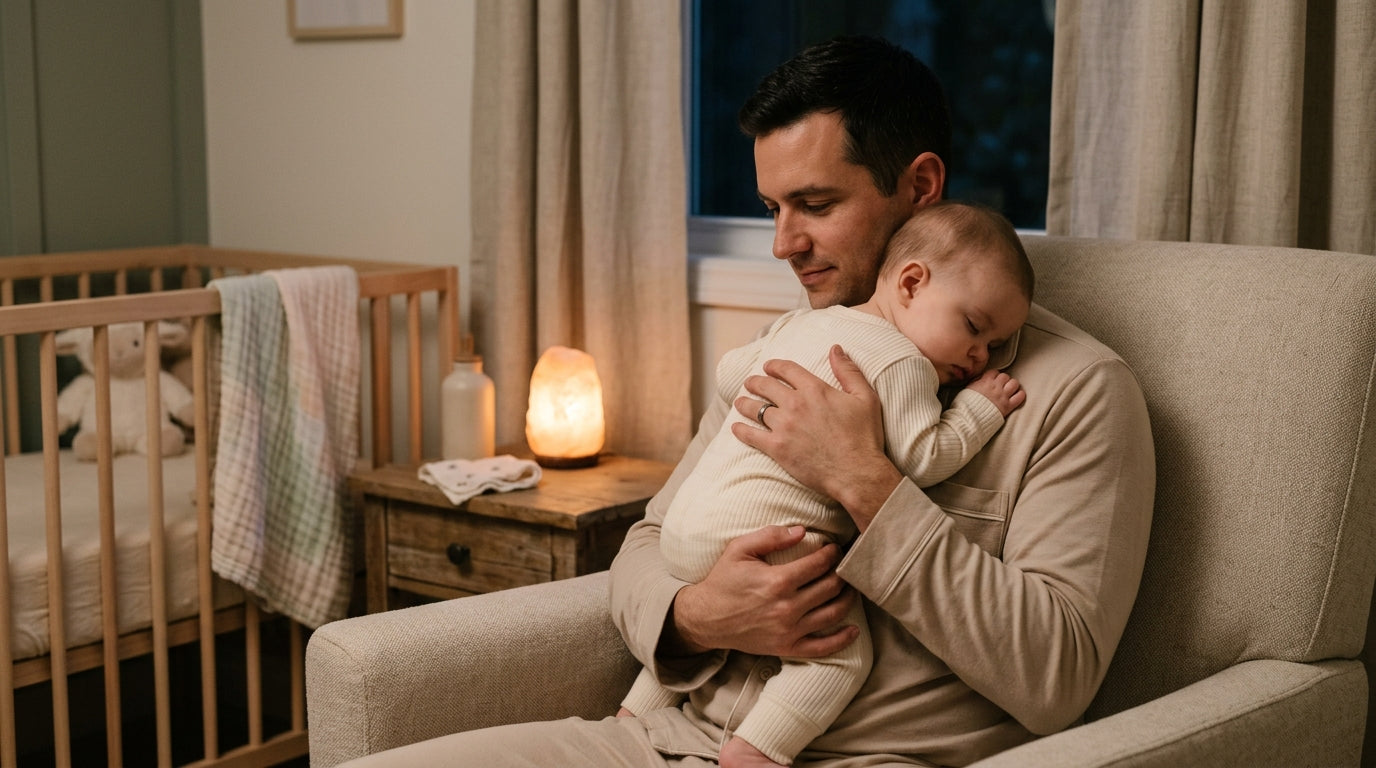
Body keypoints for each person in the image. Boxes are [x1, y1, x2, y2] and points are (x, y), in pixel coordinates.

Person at [337, 34, 1153, 768]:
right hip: (652, 740)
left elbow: (1058, 676)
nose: (782, 243)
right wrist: (698, 615)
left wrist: (864, 479)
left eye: (817, 205)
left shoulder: (1073, 393)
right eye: (773, 208)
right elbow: (649, 539)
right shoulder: (790, 345)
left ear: (921, 187)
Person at [619, 201, 1034, 768]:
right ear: (911, 284)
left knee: (718, 618)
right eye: (974, 329)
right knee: (838, 658)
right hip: (767, 535)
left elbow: (729, 375)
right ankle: (757, 754)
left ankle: (632, 716)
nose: (979, 355)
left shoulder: (800, 324)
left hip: (689, 530)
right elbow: (924, 457)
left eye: (992, 346)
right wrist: (979, 411)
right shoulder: (902, 364)